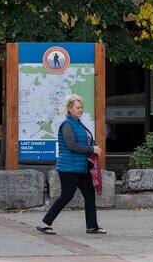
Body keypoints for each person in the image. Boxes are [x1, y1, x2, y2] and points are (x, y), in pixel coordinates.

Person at [36, 94, 105, 235]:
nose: (81, 110)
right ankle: (45, 223)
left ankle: (92, 226)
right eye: (78, 107)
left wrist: (93, 147)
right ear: (69, 108)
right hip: (68, 168)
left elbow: (84, 141)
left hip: (81, 167)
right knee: (67, 195)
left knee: (89, 194)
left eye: (82, 107)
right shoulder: (67, 124)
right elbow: (72, 145)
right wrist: (92, 149)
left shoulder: (78, 123)